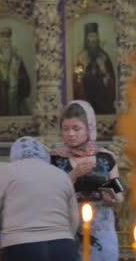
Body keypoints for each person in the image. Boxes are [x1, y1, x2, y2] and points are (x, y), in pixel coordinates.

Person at [0, 137, 79, 261]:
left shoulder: (7, 171)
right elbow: (74, 218)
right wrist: (62, 235)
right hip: (63, 248)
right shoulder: (61, 174)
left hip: (21, 247)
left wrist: (8, 225)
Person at [51, 100, 124, 260]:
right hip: (68, 229)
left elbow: (119, 195)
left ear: (89, 129)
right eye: (66, 129)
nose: (70, 134)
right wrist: (73, 175)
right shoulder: (55, 159)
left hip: (101, 230)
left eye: (76, 128)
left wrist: (111, 197)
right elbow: (49, 195)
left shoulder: (105, 157)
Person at [73, 23, 116, 114]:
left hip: (103, 103)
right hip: (86, 101)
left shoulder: (104, 57)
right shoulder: (81, 58)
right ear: (87, 38)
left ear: (98, 38)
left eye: (95, 36)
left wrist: (103, 71)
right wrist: (83, 69)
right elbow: (77, 80)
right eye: (90, 36)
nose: (93, 39)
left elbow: (111, 82)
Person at [0, 27, 31, 116]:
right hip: (1, 93)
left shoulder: (17, 58)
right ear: (1, 43)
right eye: (4, 41)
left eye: (8, 41)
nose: (6, 44)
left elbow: (25, 78)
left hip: (15, 93)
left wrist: (19, 79)